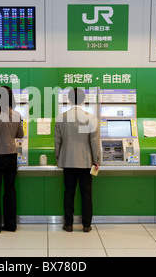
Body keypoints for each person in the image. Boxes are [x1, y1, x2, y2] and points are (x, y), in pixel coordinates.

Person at [54, 88, 100, 233]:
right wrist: (96, 159)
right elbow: (94, 141)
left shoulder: (61, 117)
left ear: (69, 99)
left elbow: (57, 142)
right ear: (83, 99)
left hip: (68, 161)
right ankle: (86, 225)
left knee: (69, 192)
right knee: (86, 193)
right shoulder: (90, 117)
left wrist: (58, 158)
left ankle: (68, 224)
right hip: (86, 162)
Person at [0, 86, 24, 234]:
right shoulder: (16, 115)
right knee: (10, 190)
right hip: (11, 156)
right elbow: (20, 134)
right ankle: (11, 224)